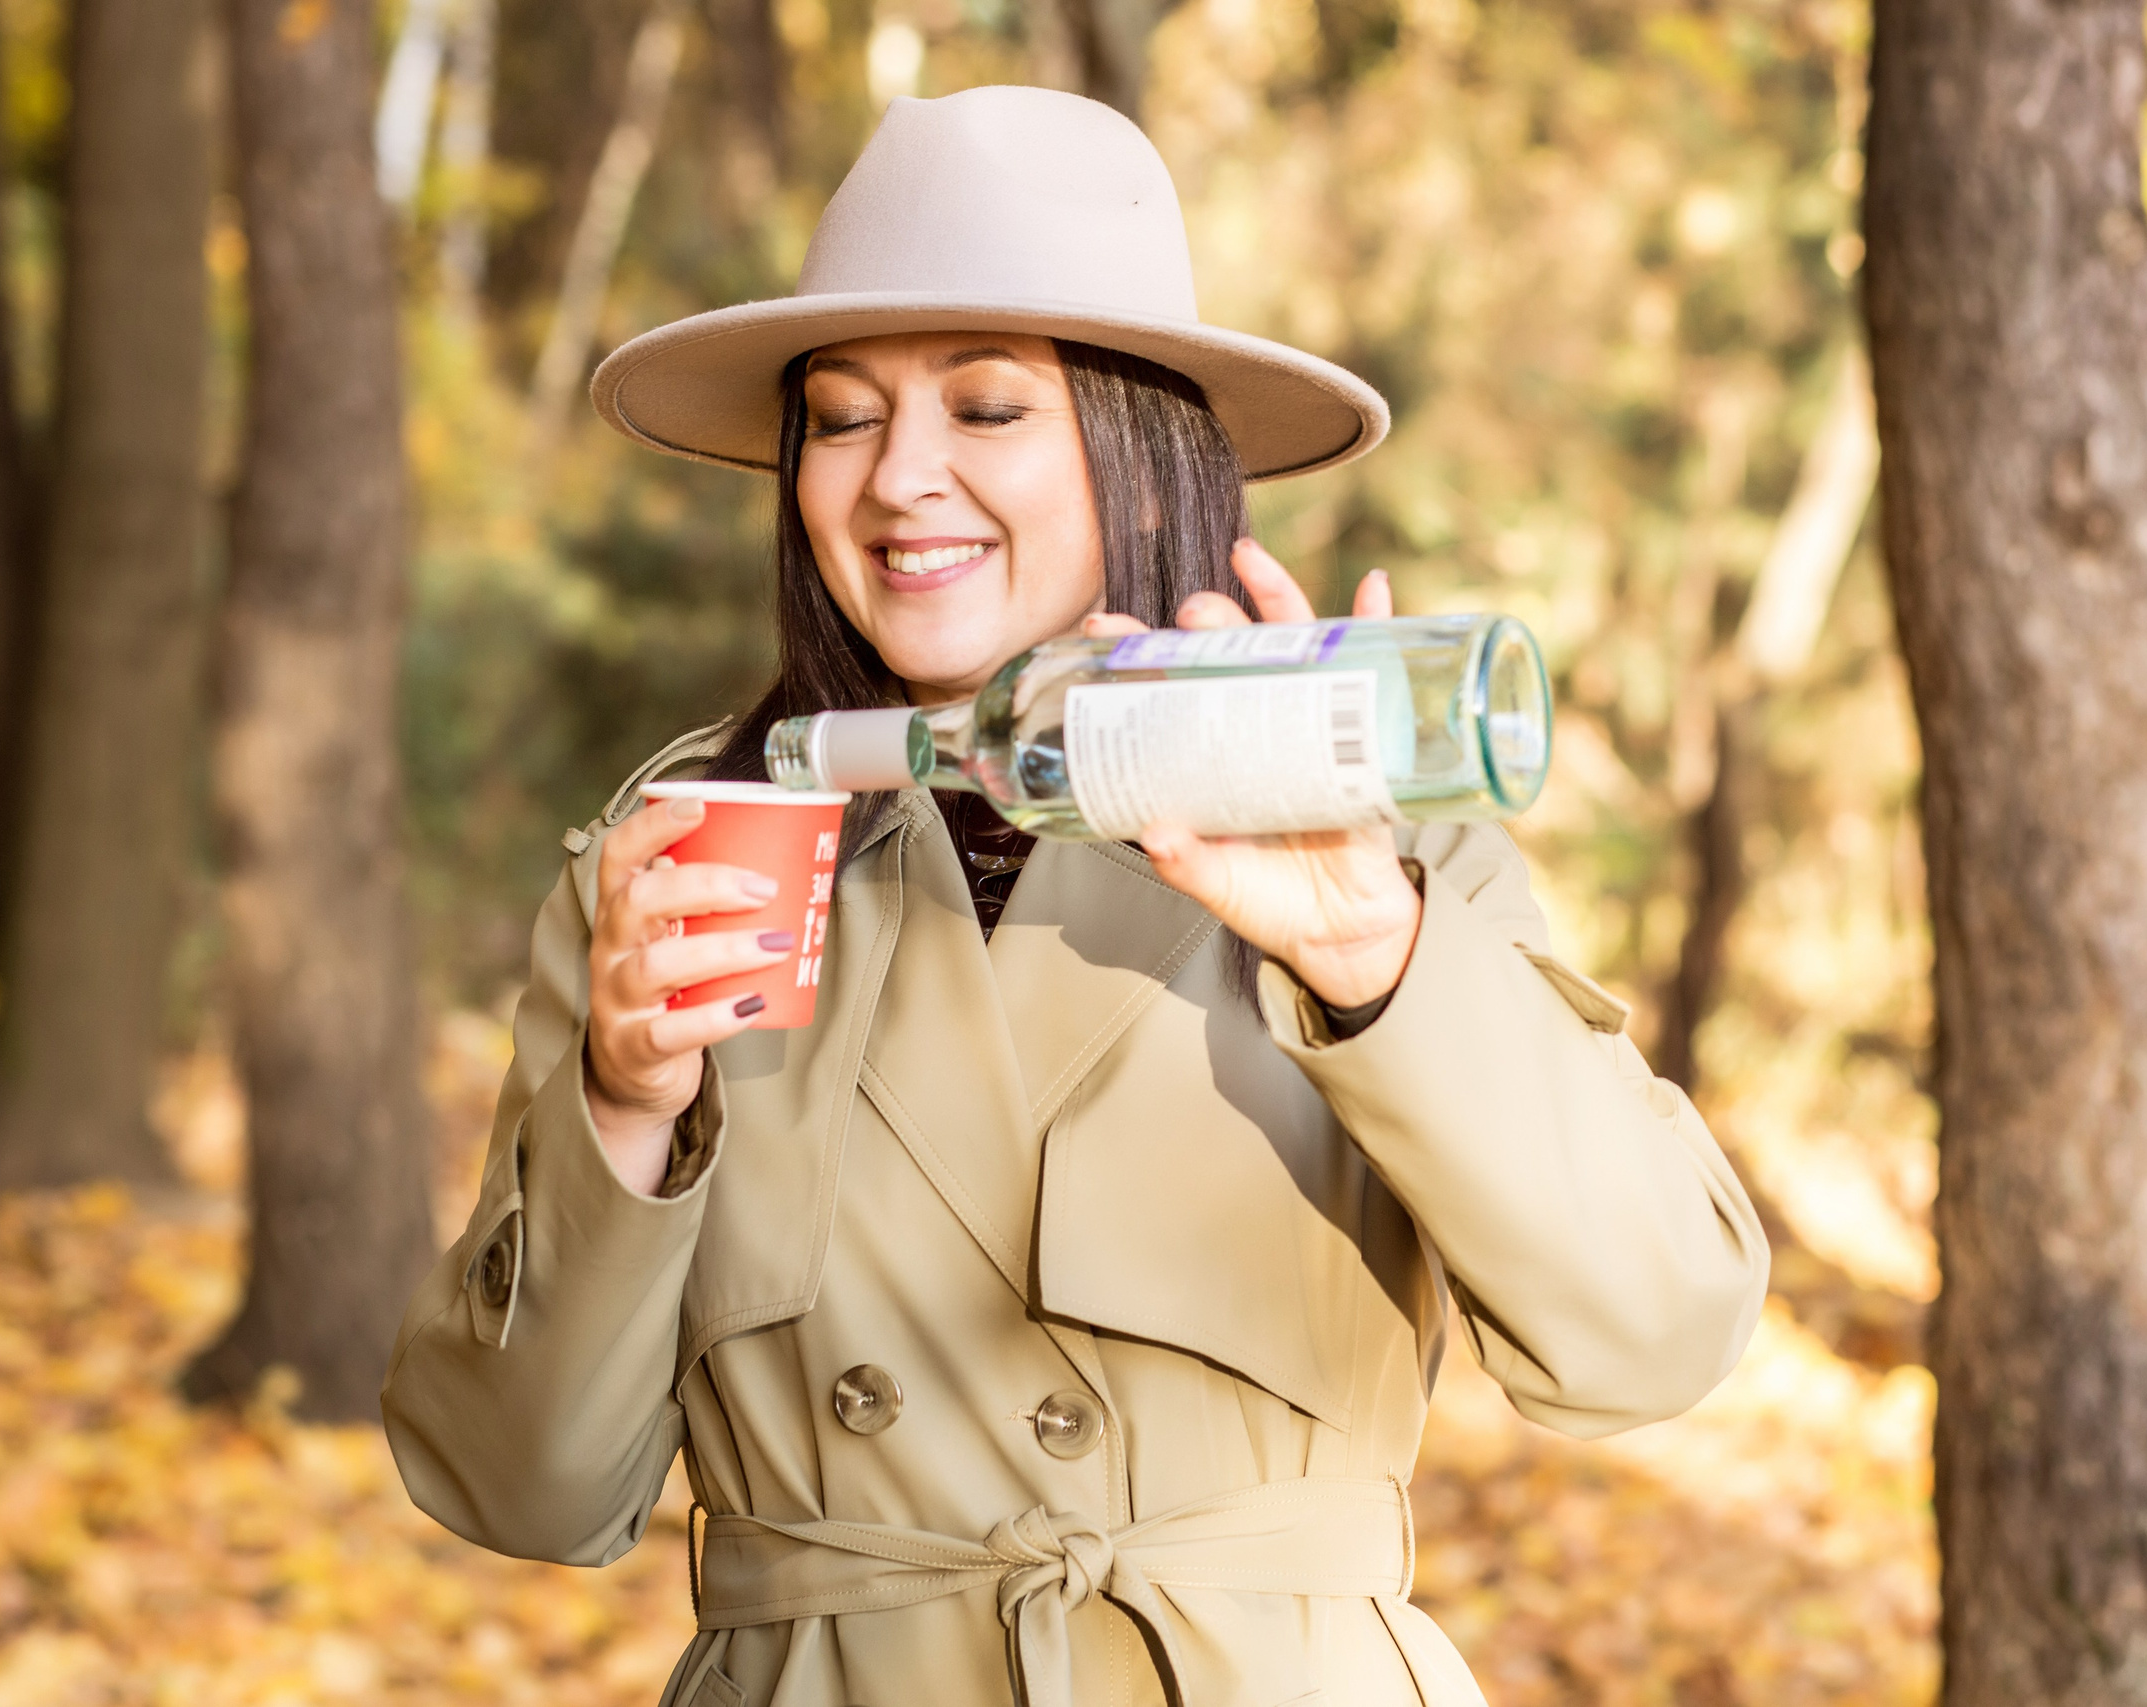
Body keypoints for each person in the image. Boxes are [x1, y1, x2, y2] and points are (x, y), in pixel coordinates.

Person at [382, 85, 1768, 1707]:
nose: (898, 479)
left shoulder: (1366, 839)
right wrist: (623, 1108)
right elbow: (523, 1492)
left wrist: (1364, 943)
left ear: (1138, 445)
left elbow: (1658, 1337)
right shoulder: (694, 847)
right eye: (839, 417)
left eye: (984, 408)